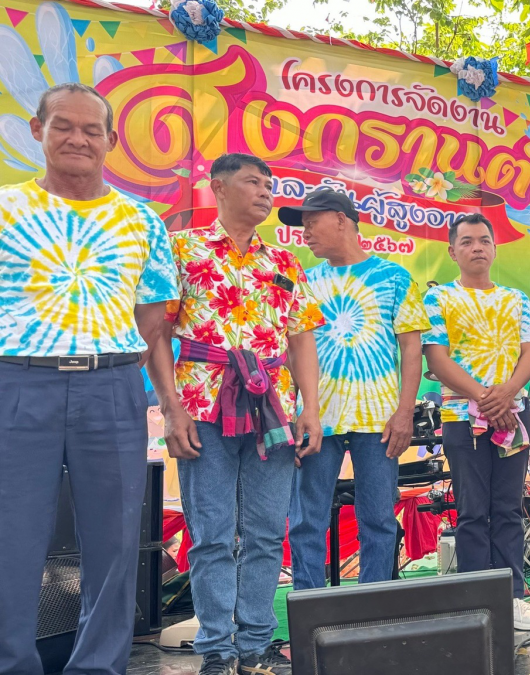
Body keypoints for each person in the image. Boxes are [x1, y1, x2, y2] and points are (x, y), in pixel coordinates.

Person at [0, 83, 178, 675]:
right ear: (37, 130)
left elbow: (152, 321)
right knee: (12, 539)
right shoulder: (5, 209)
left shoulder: (142, 219)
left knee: (116, 541)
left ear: (110, 139)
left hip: (112, 387)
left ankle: (98, 667)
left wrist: (154, 393)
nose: (77, 138)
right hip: (18, 386)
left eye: (91, 129)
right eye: (63, 126)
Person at [146, 153, 325, 675]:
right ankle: (218, 649)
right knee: (213, 533)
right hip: (202, 405)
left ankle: (255, 644)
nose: (266, 192)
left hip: (272, 410)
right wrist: (171, 408)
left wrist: (309, 408)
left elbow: (301, 339)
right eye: (253, 182)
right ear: (218, 188)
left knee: (269, 531)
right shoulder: (183, 248)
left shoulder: (284, 263)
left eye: (270, 184)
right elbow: (157, 333)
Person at [284, 190, 430, 590]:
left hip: (378, 420)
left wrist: (405, 413)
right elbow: (292, 351)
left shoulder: (395, 277)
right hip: (317, 418)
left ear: (342, 220)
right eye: (302, 226)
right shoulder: (305, 281)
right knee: (306, 520)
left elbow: (412, 350)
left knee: (379, 520)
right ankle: (309, 611)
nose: (305, 233)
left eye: (312, 222)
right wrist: (294, 412)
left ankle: (375, 612)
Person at [422, 214, 530, 632]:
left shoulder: (515, 299)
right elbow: (436, 359)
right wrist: (483, 396)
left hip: (512, 416)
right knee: (473, 512)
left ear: (494, 248)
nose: (477, 247)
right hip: (462, 416)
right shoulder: (439, 299)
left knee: (509, 509)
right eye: (468, 241)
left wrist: (507, 395)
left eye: (484, 240)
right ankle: (475, 602)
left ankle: (512, 598)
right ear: (452, 251)